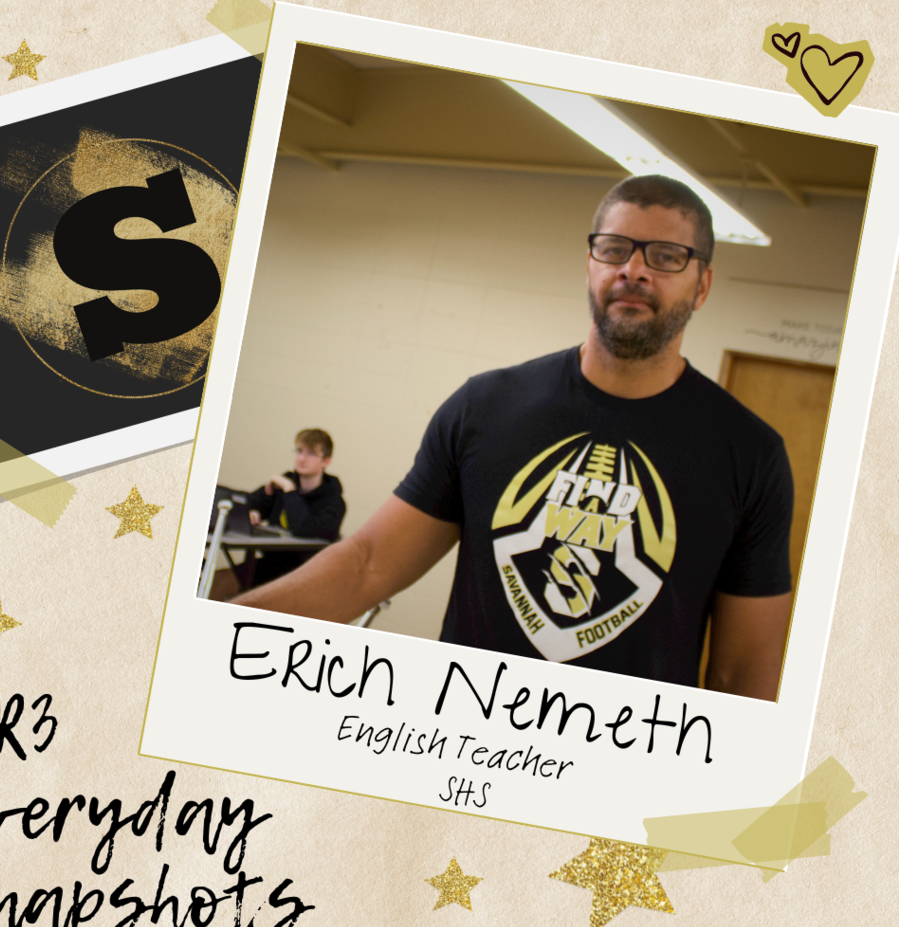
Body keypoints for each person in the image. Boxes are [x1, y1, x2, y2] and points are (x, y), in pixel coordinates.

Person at [233, 175, 794, 702]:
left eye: (667, 257)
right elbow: (368, 564)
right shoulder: (485, 407)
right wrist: (212, 628)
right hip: (457, 755)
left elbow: (741, 675)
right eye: (615, 248)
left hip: (624, 776)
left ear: (703, 286)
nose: (634, 270)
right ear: (591, 264)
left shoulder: (750, 454)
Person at [209, 429, 346, 599]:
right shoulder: (286, 480)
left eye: (311, 453)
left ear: (326, 461)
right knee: (217, 580)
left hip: (303, 575)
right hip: (271, 565)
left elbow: (302, 527)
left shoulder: (333, 502)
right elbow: (248, 502)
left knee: (229, 585)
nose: (301, 458)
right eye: (299, 450)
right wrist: (253, 511)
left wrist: (289, 490)